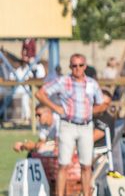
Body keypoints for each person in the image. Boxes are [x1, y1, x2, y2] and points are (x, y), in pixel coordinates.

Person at [36, 54, 108, 196]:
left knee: (86, 165)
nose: (77, 69)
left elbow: (102, 104)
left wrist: (91, 111)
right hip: (67, 125)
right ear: (70, 67)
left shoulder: (92, 84)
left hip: (86, 126)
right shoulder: (63, 81)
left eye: (80, 65)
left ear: (85, 66)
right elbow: (40, 93)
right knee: (63, 164)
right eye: (74, 66)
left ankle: (86, 194)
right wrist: (55, 108)